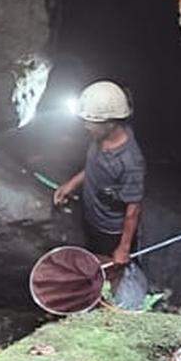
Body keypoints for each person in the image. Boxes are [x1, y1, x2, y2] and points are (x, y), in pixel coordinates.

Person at [53, 80, 145, 277]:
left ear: (110, 123)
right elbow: (95, 167)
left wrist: (124, 248)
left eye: (91, 122)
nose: (85, 126)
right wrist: (72, 184)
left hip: (111, 230)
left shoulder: (130, 162)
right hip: (92, 215)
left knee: (110, 269)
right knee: (91, 254)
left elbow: (133, 209)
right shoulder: (99, 138)